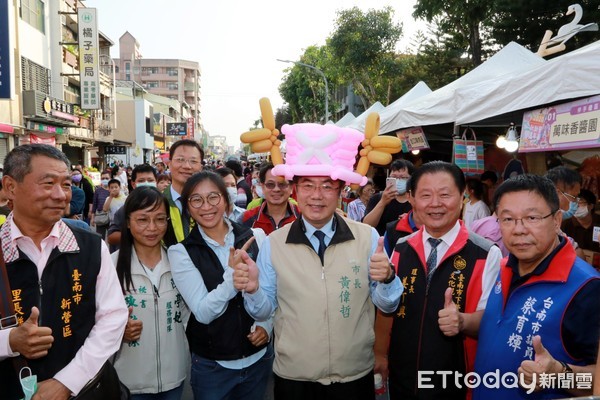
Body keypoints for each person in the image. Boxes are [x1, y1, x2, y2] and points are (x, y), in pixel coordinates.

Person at [234, 123, 402, 400]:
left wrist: (387, 278)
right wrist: (252, 289)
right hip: (294, 377)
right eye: (308, 186)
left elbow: (388, 304)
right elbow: (263, 312)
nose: (316, 195)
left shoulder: (368, 238)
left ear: (340, 191)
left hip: (354, 375)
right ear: (295, 191)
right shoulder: (274, 243)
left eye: (327, 186)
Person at [0, 144, 128, 399]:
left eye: (67, 184)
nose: (61, 195)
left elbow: (113, 318)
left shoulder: (91, 246)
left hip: (85, 390)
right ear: (10, 187)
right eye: (48, 183)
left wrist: (67, 382)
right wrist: (10, 341)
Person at [375, 161, 502, 400]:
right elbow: (387, 309)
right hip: (403, 377)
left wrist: (462, 321)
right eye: (425, 195)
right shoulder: (402, 247)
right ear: (412, 199)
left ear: (462, 196)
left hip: (455, 381)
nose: (435, 204)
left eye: (445, 195)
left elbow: (492, 319)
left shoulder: (485, 253)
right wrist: (380, 353)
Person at [473, 174, 599, 399]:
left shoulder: (586, 288)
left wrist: (556, 374)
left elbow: (596, 382)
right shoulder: (503, 268)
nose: (519, 229)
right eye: (508, 219)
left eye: (532, 217)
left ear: (557, 220)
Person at [168, 171, 273, 400]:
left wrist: (266, 324)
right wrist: (231, 279)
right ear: (188, 207)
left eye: (213, 197)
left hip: (258, 361)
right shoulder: (181, 252)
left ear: (226, 200)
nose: (206, 206)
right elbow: (203, 313)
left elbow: (270, 298)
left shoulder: (256, 237)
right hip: (212, 368)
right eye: (196, 200)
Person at [112, 187, 190, 399]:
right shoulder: (111, 266)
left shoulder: (179, 263)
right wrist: (119, 331)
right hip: (128, 381)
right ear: (128, 222)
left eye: (160, 219)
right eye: (143, 220)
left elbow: (187, 315)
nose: (152, 228)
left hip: (174, 377)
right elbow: (95, 320)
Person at [107, 163, 161, 248]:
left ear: (156, 182)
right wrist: (136, 234)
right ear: (133, 184)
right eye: (141, 181)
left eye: (150, 180)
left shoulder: (163, 205)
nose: (146, 184)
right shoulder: (126, 208)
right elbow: (111, 237)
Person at [164, 139, 204, 246]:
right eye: (180, 160)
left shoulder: (209, 204)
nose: (187, 166)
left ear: (201, 167)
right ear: (169, 164)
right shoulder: (158, 202)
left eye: (193, 161)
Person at [242, 163, 300, 235]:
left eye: (282, 184)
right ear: (262, 187)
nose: (276, 189)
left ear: (291, 187)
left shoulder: (302, 217)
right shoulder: (247, 218)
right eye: (270, 184)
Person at [363, 159, 415, 235]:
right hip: (380, 243)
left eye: (403, 178)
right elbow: (367, 226)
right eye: (394, 177)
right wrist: (382, 202)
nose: (398, 181)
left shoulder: (416, 200)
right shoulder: (377, 198)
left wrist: (411, 219)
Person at [561, 189, 600, 259]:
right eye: (574, 203)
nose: (576, 206)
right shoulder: (565, 225)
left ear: (591, 206)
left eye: (580, 202)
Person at [90, 170, 111, 238]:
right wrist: (92, 218)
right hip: (100, 217)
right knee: (100, 239)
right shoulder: (98, 190)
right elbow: (94, 204)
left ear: (110, 179)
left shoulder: (113, 190)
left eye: (107, 178)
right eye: (103, 178)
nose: (105, 180)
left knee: (112, 238)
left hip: (111, 217)